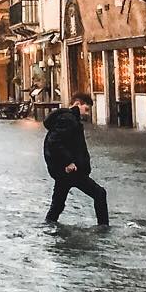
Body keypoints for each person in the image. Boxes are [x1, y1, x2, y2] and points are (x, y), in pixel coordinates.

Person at [43, 92, 108, 226]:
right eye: (86, 109)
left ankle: (48, 227)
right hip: (71, 171)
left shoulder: (70, 119)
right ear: (78, 104)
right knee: (100, 193)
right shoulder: (68, 119)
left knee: (57, 205)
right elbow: (54, 142)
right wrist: (68, 162)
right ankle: (104, 228)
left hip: (65, 172)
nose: (87, 113)